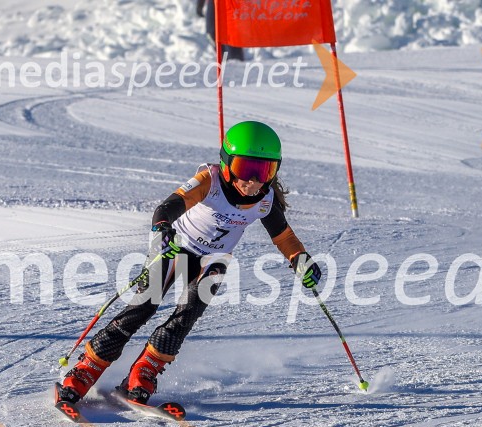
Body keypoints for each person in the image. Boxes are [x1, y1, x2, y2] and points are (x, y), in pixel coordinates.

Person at [55, 121, 321, 405]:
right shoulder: (210, 180)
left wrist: (301, 259)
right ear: (228, 163)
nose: (254, 181)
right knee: (142, 308)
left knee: (186, 317)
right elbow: (167, 208)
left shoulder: (264, 199)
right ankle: (85, 371)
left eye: (264, 171)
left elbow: (284, 236)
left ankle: (144, 372)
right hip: (174, 249)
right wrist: (161, 229)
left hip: (213, 261)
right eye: (246, 169)